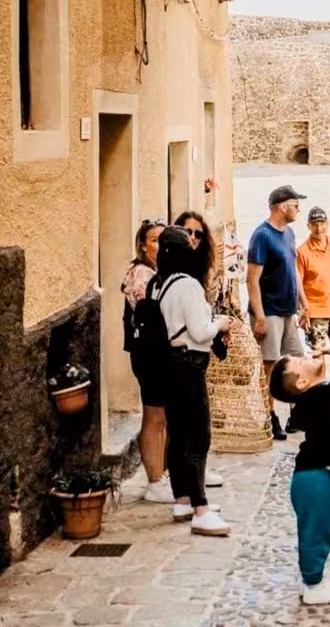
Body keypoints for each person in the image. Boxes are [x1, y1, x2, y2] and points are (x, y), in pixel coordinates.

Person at [150, 225, 234, 535]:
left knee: (178, 434)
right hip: (189, 366)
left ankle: (182, 499)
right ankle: (200, 508)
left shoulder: (162, 284)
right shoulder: (187, 285)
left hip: (170, 366)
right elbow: (200, 331)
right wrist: (220, 322)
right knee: (197, 436)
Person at [270, 349, 330, 606]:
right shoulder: (322, 393)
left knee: (315, 529)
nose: (308, 355)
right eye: (301, 360)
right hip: (312, 478)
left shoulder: (316, 399)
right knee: (317, 531)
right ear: (301, 382)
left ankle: (312, 579)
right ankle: (313, 584)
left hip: (311, 475)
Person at [246, 184, 310, 440]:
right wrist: (259, 316)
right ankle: (270, 417)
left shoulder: (290, 233)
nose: (298, 210)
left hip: (288, 310)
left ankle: (296, 414)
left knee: (297, 360)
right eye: (295, 205)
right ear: (282, 207)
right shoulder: (261, 236)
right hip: (269, 310)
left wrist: (304, 303)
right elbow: (252, 279)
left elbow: (293, 271)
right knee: (270, 365)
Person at [172, 209, 228, 488]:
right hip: (185, 353)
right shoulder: (180, 279)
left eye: (198, 233)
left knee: (193, 424)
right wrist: (218, 326)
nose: (193, 238)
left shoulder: (203, 269)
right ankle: (193, 496)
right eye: (187, 232)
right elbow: (198, 325)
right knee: (192, 425)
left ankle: (192, 481)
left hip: (197, 351)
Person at [122, 219, 172, 502]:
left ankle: (161, 476)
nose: (160, 245)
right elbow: (153, 313)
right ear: (143, 245)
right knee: (154, 416)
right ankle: (154, 480)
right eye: (154, 240)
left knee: (162, 416)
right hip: (149, 353)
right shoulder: (141, 274)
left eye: (163, 239)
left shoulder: (157, 272)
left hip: (158, 352)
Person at [296, 206, 330, 352]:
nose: (319, 229)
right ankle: (320, 376)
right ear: (308, 226)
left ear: (327, 224)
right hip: (316, 311)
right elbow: (298, 282)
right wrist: (303, 309)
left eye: (322, 224)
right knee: (317, 353)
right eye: (314, 225)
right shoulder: (302, 251)